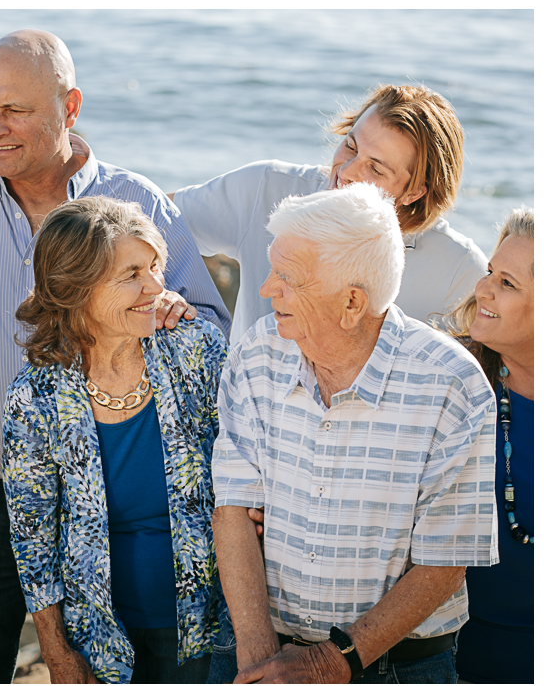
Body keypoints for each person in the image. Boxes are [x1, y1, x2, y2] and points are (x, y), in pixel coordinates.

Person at [0, 29, 229, 684]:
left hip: (97, 492)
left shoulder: (136, 203)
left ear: (69, 108)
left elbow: (210, 326)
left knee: (96, 664)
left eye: (14, 111)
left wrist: (172, 311)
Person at [212, 183, 498, 684]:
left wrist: (330, 663)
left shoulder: (453, 385)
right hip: (255, 643)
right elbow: (233, 506)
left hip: (398, 667)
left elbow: (446, 561)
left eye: (287, 278)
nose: (264, 289)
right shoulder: (257, 352)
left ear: (351, 303)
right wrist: (259, 664)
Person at [3, 196, 228, 683]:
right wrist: (56, 652)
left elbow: (248, 479)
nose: (155, 287)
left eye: (154, 267)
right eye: (131, 274)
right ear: (75, 288)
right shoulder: (35, 395)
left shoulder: (196, 349)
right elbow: (33, 538)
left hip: (208, 623)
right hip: (99, 635)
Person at [174, 83, 487, 344]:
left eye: (375, 168)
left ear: (416, 191)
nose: (347, 171)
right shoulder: (265, 189)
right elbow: (148, 219)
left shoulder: (458, 272)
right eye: (351, 147)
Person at [453, 208, 533, 685]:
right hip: (447, 653)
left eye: (506, 282)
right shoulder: (450, 378)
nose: (482, 289)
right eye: (489, 272)